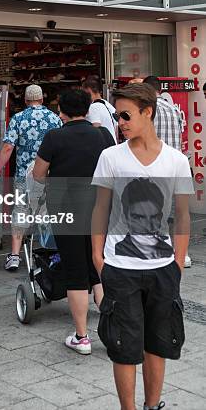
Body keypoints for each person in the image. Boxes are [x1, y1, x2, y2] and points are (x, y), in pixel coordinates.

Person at [92, 83, 193, 410]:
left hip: (162, 269)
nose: (120, 122)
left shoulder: (176, 161)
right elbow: (99, 208)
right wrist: (97, 256)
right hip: (119, 268)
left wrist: (177, 262)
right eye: (117, 115)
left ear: (147, 112)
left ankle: (152, 405)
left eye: (126, 115)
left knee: (157, 344)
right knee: (123, 346)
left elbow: (182, 215)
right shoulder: (110, 157)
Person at [33, 90, 115, 355]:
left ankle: (82, 337)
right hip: (100, 209)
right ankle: (111, 329)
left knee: (75, 271)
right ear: (88, 109)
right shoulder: (102, 135)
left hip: (66, 209)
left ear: (61, 111)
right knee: (98, 265)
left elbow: (38, 174)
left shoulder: (55, 137)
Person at [0, 84, 62, 271]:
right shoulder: (54, 118)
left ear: (25, 100)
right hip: (47, 174)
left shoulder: (18, 118)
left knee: (21, 210)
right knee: (46, 213)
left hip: (24, 174)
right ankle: (49, 254)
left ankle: (14, 256)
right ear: (42, 99)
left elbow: (8, 147)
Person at [142, 76, 191, 268]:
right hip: (175, 166)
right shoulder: (174, 109)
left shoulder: (148, 110)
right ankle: (182, 254)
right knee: (176, 214)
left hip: (155, 166)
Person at [82, 76, 117, 142]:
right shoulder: (109, 105)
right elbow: (116, 131)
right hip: (113, 145)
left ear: (88, 90)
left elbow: (96, 129)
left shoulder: (93, 107)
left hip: (102, 148)